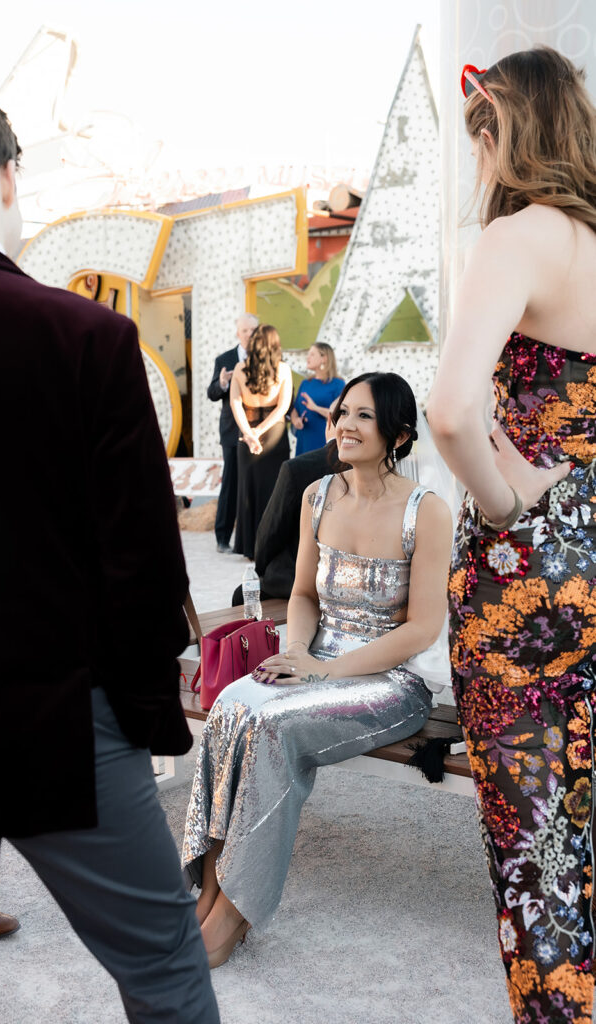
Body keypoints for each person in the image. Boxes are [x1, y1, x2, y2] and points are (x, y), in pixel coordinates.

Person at [0, 82, 219, 1024]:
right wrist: (149, 714)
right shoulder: (88, 335)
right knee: (164, 966)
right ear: (8, 177)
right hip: (64, 714)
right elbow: (142, 561)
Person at [428, 49, 596, 1024]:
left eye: (475, 141)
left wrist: (503, 504)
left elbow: (451, 411)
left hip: (527, 574)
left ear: (499, 133)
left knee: (535, 849)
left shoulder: (518, 237)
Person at [183, 371, 453, 968]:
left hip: (389, 680)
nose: (345, 426)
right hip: (316, 657)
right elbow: (302, 594)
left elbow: (420, 630)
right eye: (343, 413)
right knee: (231, 704)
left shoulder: (426, 512)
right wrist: (300, 653)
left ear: (399, 435)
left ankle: (232, 915)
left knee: (272, 727)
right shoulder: (318, 495)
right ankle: (206, 891)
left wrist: (326, 673)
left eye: (364, 416)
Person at [230, 405, 339, 605]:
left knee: (242, 595)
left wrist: (262, 569)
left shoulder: (297, 468)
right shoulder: (382, 470)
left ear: (329, 422)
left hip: (299, 580)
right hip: (345, 581)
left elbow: (269, 533)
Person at [231, 324, 293, 559]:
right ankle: (270, 545)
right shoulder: (283, 369)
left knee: (247, 489)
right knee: (273, 489)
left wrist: (249, 433)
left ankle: (249, 547)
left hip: (247, 434)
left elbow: (236, 403)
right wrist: (259, 431)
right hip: (274, 433)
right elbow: (283, 407)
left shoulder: (240, 368)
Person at [207, 313, 259, 553]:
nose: (249, 334)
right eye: (245, 330)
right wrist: (222, 383)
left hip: (259, 430)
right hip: (232, 431)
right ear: (238, 333)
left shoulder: (265, 357)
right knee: (230, 484)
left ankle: (254, 538)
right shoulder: (224, 359)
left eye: (253, 330)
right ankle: (222, 537)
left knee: (256, 482)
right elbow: (212, 393)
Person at [290, 342, 345, 456]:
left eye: (312, 354)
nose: (308, 358)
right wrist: (296, 420)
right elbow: (295, 409)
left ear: (324, 358)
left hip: (323, 441)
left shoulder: (338, 384)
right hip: (304, 440)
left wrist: (315, 408)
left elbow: (340, 414)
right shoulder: (306, 383)